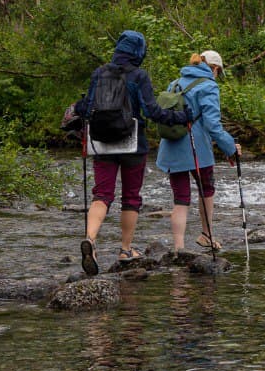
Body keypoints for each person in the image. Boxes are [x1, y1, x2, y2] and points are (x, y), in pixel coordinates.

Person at [75, 30, 190, 275]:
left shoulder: (99, 73)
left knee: (102, 194)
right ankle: (125, 249)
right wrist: (182, 117)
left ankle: (90, 239)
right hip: (132, 144)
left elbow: (86, 108)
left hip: (102, 143)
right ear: (139, 52)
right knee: (131, 197)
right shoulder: (139, 75)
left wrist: (75, 109)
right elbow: (152, 111)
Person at [156, 50, 241, 253]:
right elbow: (212, 125)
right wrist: (230, 148)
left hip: (171, 146)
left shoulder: (175, 83)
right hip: (197, 149)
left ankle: (179, 248)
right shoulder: (209, 86)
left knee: (180, 198)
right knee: (206, 190)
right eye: (218, 72)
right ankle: (207, 235)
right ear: (215, 69)